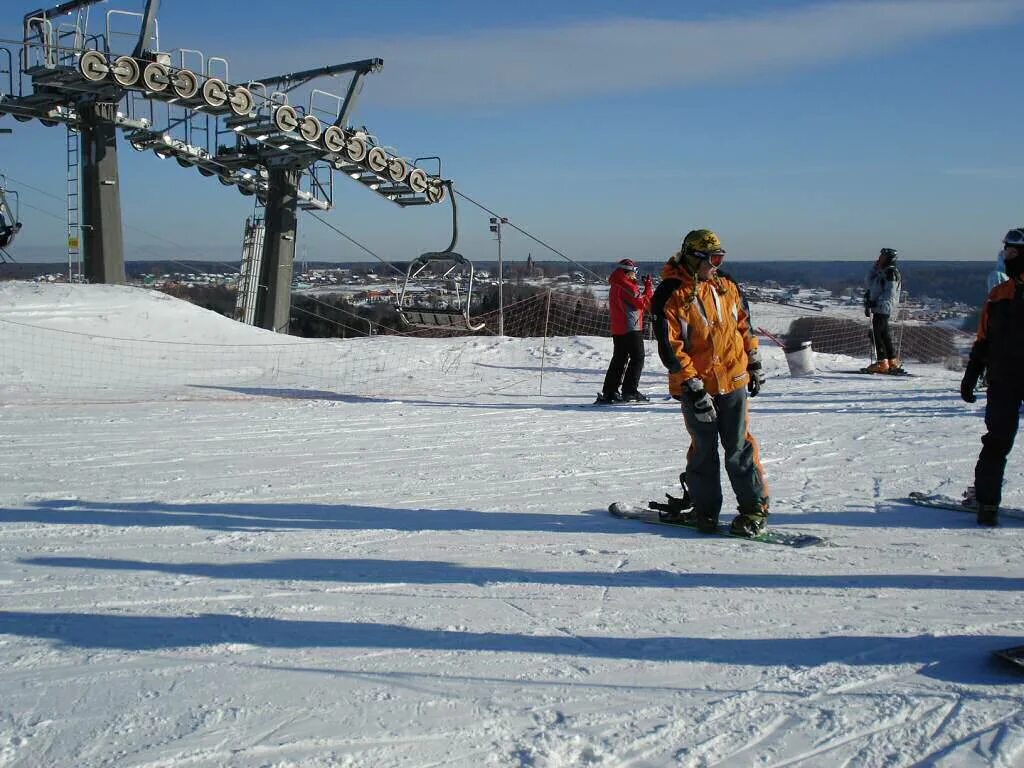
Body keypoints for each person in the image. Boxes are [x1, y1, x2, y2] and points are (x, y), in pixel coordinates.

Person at [651, 229, 769, 537]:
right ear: (693, 258)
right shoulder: (671, 293)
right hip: (698, 386)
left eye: (720, 258)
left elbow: (743, 323)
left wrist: (753, 361)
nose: (716, 264)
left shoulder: (725, 285)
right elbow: (670, 348)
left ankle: (754, 509)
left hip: (733, 380)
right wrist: (692, 386)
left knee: (739, 448)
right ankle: (705, 512)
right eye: (712, 258)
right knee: (703, 450)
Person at [959, 227, 1024, 526]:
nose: (1006, 257)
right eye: (1006, 252)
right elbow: (983, 338)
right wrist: (971, 374)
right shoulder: (999, 295)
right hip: (1003, 380)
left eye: (1011, 252)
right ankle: (986, 504)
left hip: (1006, 378)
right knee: (996, 441)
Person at [597, 259, 653, 403]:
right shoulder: (626, 285)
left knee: (619, 358)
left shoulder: (616, 284)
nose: (635, 275)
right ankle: (630, 390)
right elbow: (644, 303)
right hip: (631, 327)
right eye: (635, 272)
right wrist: (648, 287)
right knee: (638, 357)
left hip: (618, 327)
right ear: (628, 272)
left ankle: (610, 391)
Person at [863, 247, 902, 373]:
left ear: (889, 259)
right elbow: (869, 283)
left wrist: (877, 303)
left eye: (882, 257)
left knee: (875, 334)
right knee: (883, 334)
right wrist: (875, 268)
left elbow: (890, 293)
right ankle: (892, 361)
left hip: (883, 307)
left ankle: (882, 363)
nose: (879, 258)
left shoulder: (890, 273)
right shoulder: (883, 271)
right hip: (878, 306)